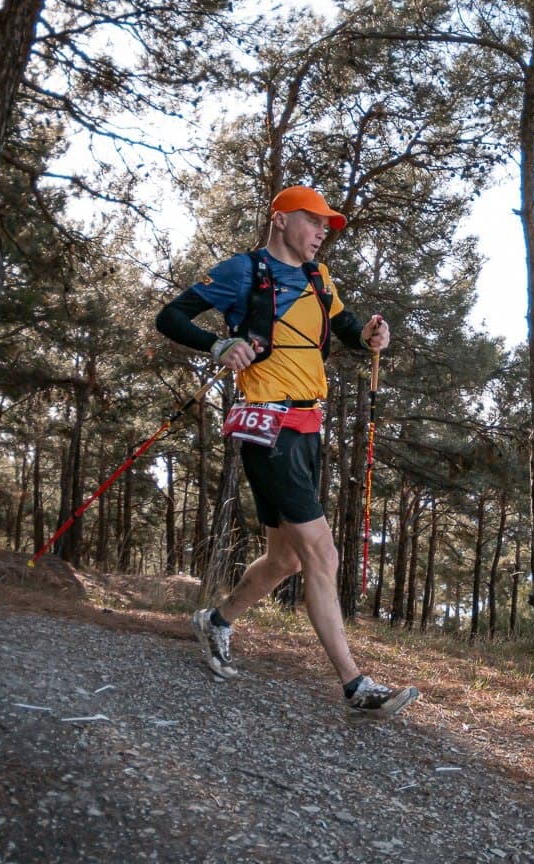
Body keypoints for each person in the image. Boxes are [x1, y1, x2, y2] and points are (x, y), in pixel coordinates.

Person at [154, 185, 419, 717]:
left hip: (308, 425)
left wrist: (371, 336)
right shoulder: (242, 272)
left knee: (287, 558)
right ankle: (354, 684)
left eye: (327, 226)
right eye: (314, 222)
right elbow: (171, 317)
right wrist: (219, 344)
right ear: (280, 221)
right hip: (266, 424)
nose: (323, 232)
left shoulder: (321, 280)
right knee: (322, 553)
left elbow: (346, 332)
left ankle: (216, 621)